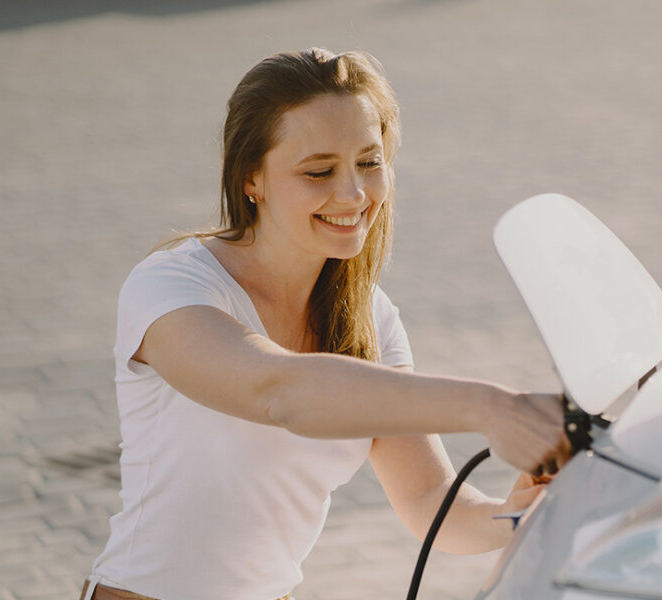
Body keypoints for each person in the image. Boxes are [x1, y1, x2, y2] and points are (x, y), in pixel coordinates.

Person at [80, 48, 571, 600]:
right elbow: (280, 392)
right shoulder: (172, 288)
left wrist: (518, 515)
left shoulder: (371, 317)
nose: (353, 194)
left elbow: (431, 501)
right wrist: (490, 406)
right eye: (319, 171)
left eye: (369, 161)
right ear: (252, 180)